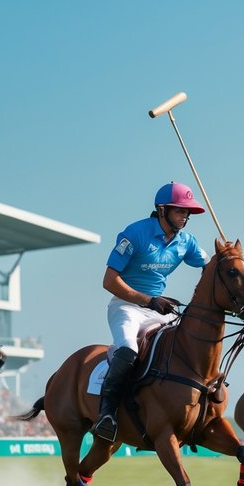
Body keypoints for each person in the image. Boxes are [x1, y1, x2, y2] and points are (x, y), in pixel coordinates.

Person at [91, 181, 208, 443]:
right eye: (180, 210)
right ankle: (107, 415)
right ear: (162, 209)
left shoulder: (186, 241)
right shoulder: (134, 234)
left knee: (188, 346)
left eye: (188, 212)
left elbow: (211, 266)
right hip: (127, 306)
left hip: (160, 309)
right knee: (129, 351)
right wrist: (147, 300)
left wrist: (230, 259)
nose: (186, 216)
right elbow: (109, 281)